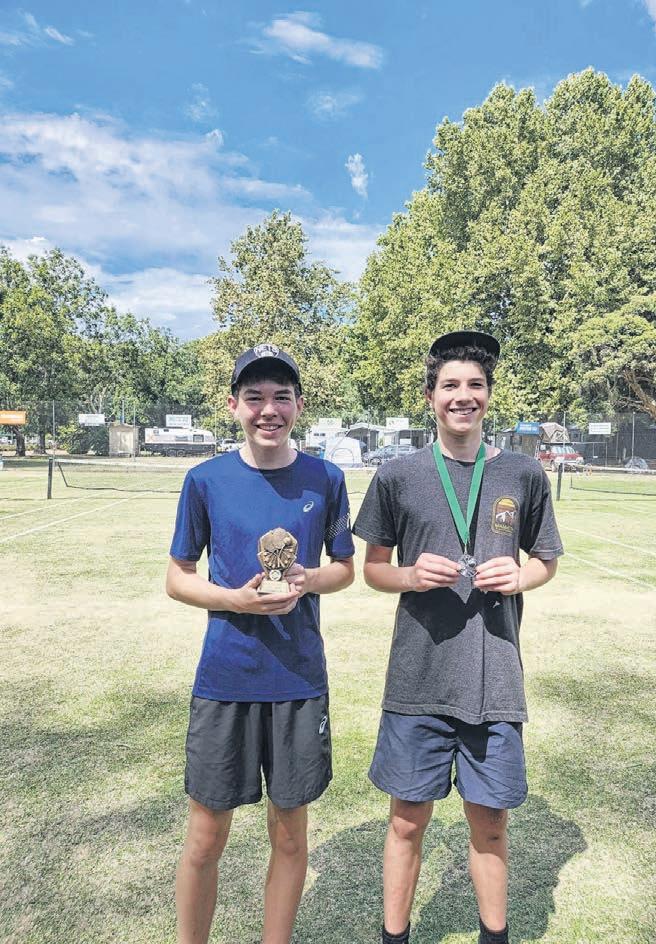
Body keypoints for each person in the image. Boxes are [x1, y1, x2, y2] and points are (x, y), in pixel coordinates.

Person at [353, 331, 563, 944]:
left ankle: (494, 936)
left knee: (490, 824)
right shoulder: (398, 475)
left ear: (489, 395)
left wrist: (522, 575)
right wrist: (411, 575)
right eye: (450, 385)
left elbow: (546, 560)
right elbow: (373, 569)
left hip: (493, 680)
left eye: (475, 385)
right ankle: (395, 937)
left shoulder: (522, 472)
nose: (462, 396)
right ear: (430, 397)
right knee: (406, 821)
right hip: (418, 678)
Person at [166, 343, 355, 944]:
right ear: (233, 405)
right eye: (254, 397)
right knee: (205, 838)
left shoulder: (326, 478)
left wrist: (307, 580)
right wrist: (234, 600)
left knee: (290, 836)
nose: (268, 409)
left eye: (281, 397)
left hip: (297, 679)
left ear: (298, 404)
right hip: (226, 677)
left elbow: (344, 569)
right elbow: (177, 577)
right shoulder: (205, 480)